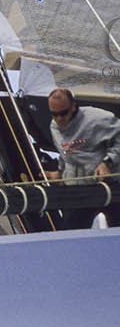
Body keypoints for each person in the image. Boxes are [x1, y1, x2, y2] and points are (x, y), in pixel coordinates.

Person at [46, 87, 120, 229]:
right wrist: (60, 174)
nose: (60, 119)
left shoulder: (99, 119)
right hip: (79, 191)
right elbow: (65, 153)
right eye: (55, 114)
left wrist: (107, 162)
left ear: (73, 107)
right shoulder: (54, 127)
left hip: (109, 186)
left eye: (63, 113)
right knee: (70, 233)